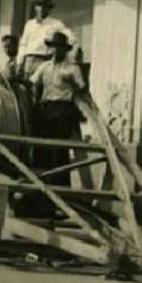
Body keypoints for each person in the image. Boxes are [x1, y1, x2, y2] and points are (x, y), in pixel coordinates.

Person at [28, 31, 86, 187]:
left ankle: (61, 192)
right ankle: (41, 196)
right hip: (44, 110)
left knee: (59, 153)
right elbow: (32, 82)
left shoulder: (72, 69)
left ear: (64, 50)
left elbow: (82, 89)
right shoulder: (44, 67)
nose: (56, 50)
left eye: (59, 47)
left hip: (62, 112)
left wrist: (72, 83)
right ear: (50, 49)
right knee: (41, 152)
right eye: (54, 47)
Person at [18, 0, 75, 79]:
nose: (41, 9)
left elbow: (71, 37)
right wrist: (20, 63)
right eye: (39, 5)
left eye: (45, 6)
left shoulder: (55, 24)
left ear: (49, 9)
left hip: (44, 59)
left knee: (42, 87)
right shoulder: (29, 24)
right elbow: (23, 44)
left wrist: (61, 51)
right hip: (28, 60)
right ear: (35, 8)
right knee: (27, 86)